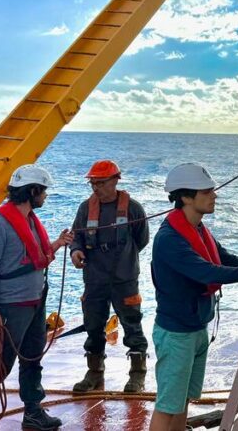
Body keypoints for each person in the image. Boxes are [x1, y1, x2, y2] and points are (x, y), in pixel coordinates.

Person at [149, 163, 238, 431]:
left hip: (196, 329)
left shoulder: (197, 229)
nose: (214, 195)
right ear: (186, 197)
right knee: (168, 405)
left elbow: (222, 257)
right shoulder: (170, 239)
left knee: (182, 401)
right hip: (177, 335)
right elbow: (206, 271)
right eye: (207, 191)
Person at [0, 164, 73, 430]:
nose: (45, 197)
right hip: (12, 307)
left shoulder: (30, 221)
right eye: (43, 192)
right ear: (32, 191)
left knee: (32, 359)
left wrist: (56, 244)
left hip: (35, 302)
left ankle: (33, 412)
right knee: (0, 364)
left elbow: (32, 259)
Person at [69, 160, 150, 393]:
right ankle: (94, 372)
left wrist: (123, 258)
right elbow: (77, 236)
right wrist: (76, 251)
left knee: (132, 325)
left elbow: (141, 240)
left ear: (115, 181)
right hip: (94, 279)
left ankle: (137, 375)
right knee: (93, 325)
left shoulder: (133, 209)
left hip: (124, 279)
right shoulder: (86, 208)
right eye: (93, 184)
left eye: (101, 183)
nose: (96, 188)